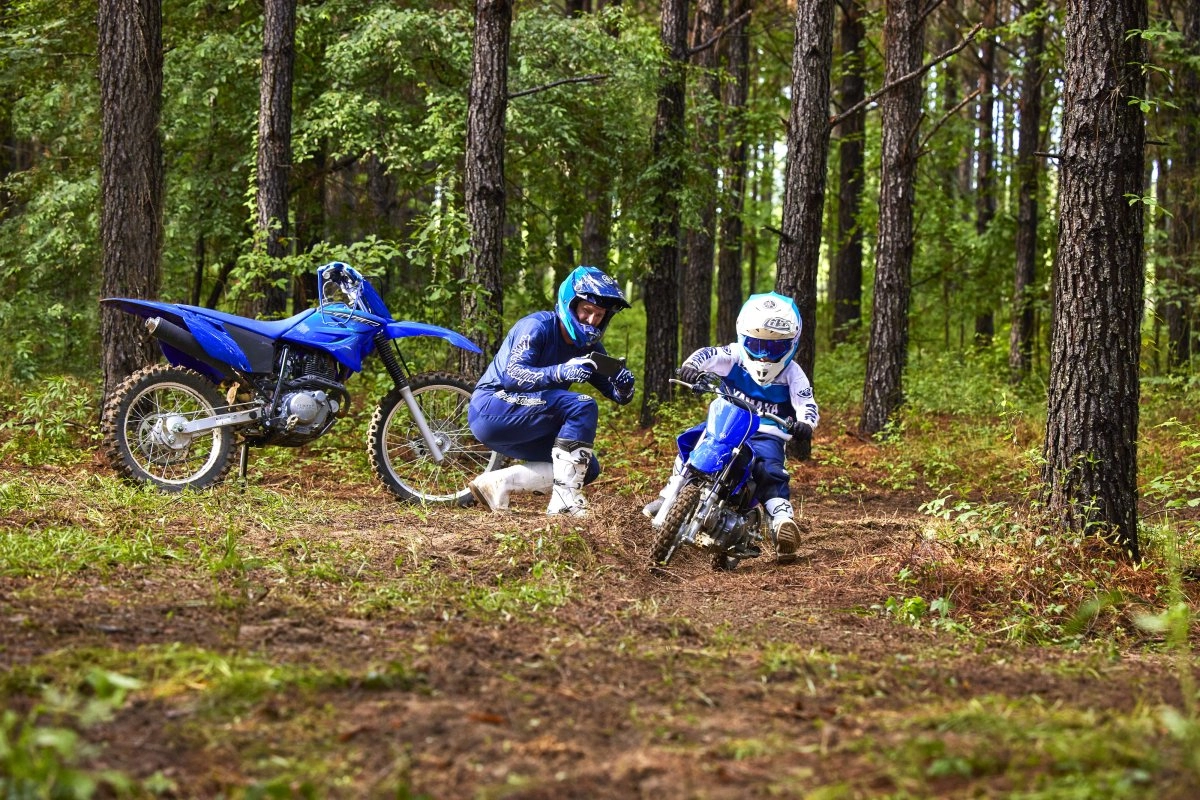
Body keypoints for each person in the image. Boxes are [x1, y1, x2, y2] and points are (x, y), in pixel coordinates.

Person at [643, 292, 818, 563]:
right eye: (756, 344)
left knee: (769, 469)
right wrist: (691, 367)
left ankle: (782, 522)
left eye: (774, 348)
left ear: (791, 344)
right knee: (692, 442)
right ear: (743, 336)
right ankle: (669, 494)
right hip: (728, 421)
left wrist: (805, 424)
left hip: (767, 433)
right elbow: (709, 354)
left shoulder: (793, 373)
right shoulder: (735, 355)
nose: (763, 355)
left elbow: (806, 403)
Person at [467, 266, 636, 517]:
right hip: (491, 407)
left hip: (527, 419)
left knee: (585, 467)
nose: (591, 320)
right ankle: (564, 503)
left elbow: (618, 395)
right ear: (571, 304)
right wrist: (560, 372)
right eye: (587, 310)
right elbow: (513, 376)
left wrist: (624, 385)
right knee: (582, 404)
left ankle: (498, 483)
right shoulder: (537, 326)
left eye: (599, 315)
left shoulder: (590, 348)